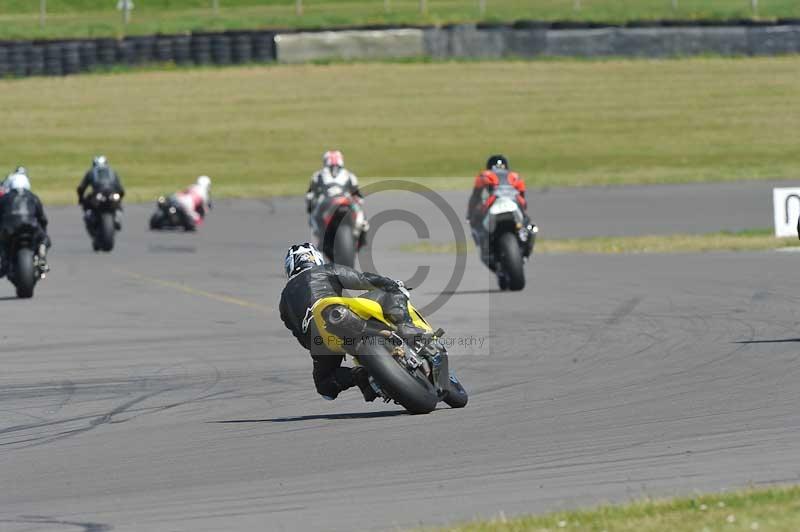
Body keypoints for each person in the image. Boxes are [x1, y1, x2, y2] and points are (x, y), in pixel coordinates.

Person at [279, 243, 415, 402]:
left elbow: (301, 337)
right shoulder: (324, 270)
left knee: (325, 387)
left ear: (290, 266)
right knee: (391, 292)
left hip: (322, 341)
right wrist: (391, 284)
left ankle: (359, 376)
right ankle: (406, 327)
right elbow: (362, 280)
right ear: (315, 258)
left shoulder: (283, 301)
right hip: (340, 314)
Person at [466, 155, 531, 268]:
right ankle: (524, 234)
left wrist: (470, 215)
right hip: (514, 202)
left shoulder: (485, 174)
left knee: (477, 222)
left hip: (494, 202)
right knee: (526, 221)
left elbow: (475, 197)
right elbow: (522, 198)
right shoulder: (515, 175)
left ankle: (485, 245)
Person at [0, 172, 50, 278]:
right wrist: (43, 233)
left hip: (9, 229)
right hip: (31, 227)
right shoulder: (33, 197)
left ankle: (4, 261)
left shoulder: (5, 198)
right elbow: (42, 218)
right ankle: (42, 256)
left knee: (2, 243)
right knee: (45, 239)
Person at [76, 155, 126, 231]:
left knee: (86, 204)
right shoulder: (112, 171)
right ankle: (117, 218)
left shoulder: (91, 172)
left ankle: (90, 217)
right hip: (111, 193)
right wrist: (120, 197)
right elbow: (121, 189)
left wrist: (80, 198)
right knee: (118, 204)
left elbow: (81, 188)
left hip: (98, 193)